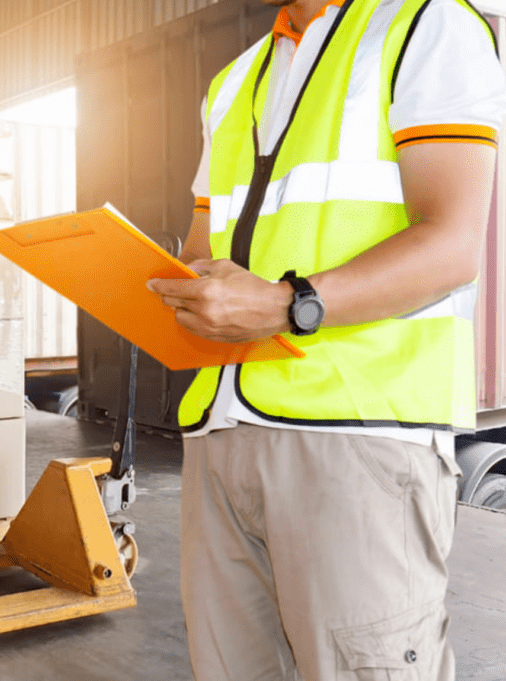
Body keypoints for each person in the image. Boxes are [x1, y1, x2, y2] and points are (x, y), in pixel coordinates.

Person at [146, 0, 506, 678]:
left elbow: (452, 244)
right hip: (222, 431)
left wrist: (288, 304)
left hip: (359, 432)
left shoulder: (425, 26)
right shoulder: (233, 81)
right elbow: (203, 248)